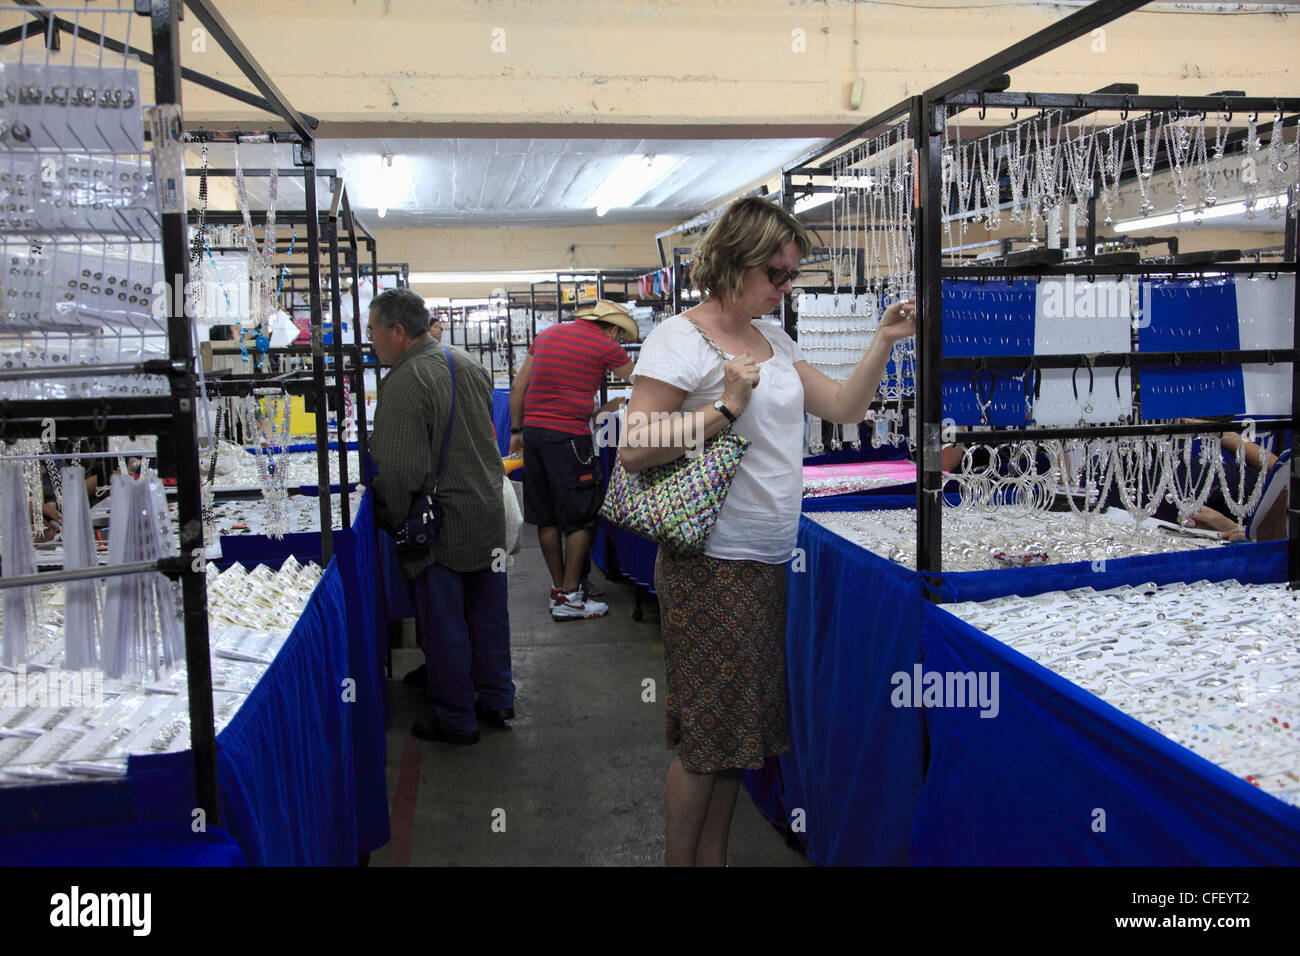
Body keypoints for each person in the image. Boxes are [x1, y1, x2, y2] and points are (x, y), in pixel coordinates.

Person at [619, 196, 917, 865]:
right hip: (711, 562)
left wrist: (883, 341)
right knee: (707, 743)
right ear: (733, 264)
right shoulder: (681, 339)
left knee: (736, 742)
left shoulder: (772, 337)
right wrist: (725, 407)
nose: (786, 288)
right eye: (776, 274)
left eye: (791, 276)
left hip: (766, 558)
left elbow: (844, 406)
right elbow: (634, 446)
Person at [367, 287, 515, 745]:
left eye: (372, 330)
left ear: (397, 331)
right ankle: (496, 697)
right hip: (486, 509)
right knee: (488, 613)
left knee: (444, 622)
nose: (370, 340)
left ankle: (455, 717)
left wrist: (390, 516)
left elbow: (398, 469)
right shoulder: (467, 364)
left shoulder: (405, 382)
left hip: (441, 524)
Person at [508, 299, 637, 621]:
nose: (618, 343)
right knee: (580, 517)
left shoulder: (547, 335)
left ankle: (560, 588)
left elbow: (518, 386)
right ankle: (569, 597)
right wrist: (612, 406)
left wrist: (516, 430)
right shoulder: (606, 345)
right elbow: (642, 381)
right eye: (619, 336)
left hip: (535, 434)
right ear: (611, 328)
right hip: (568, 437)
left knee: (546, 516)